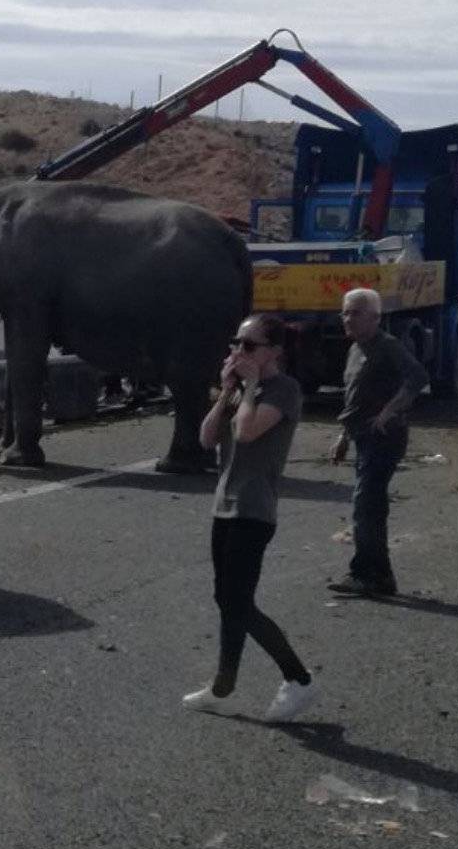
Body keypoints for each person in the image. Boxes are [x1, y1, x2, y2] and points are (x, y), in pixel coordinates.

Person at [182, 313, 317, 722]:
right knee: (228, 600)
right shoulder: (241, 390)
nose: (238, 352)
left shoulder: (283, 390)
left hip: (254, 509)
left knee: (237, 601)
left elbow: (247, 433)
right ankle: (223, 684)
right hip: (224, 505)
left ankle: (299, 679)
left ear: (274, 351)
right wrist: (226, 393)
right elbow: (206, 438)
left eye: (249, 345)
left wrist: (253, 387)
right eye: (235, 343)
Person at [328, 287, 429, 599]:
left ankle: (366, 574)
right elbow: (354, 398)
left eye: (355, 313)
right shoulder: (355, 349)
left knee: (365, 506)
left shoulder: (387, 346)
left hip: (385, 438)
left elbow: (417, 377)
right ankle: (379, 576)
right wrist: (343, 436)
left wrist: (388, 411)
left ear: (375, 317)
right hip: (362, 435)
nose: (348, 319)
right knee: (369, 507)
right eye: (345, 312)